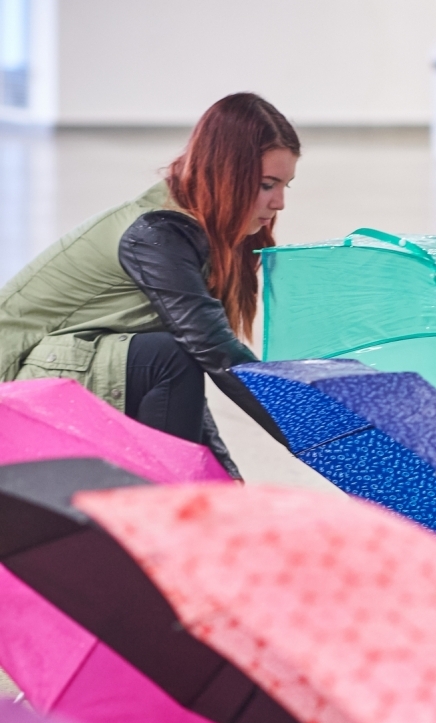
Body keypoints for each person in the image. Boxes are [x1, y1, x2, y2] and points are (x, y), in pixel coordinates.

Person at [0, 93, 300, 479]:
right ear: (226, 175)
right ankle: (160, 510)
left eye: (285, 186)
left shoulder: (195, 230)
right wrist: (313, 432)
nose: (278, 203)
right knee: (169, 356)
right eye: (266, 184)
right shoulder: (157, 234)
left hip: (63, 370)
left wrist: (226, 478)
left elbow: (186, 386)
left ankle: (165, 504)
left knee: (171, 357)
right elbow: (213, 353)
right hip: (15, 386)